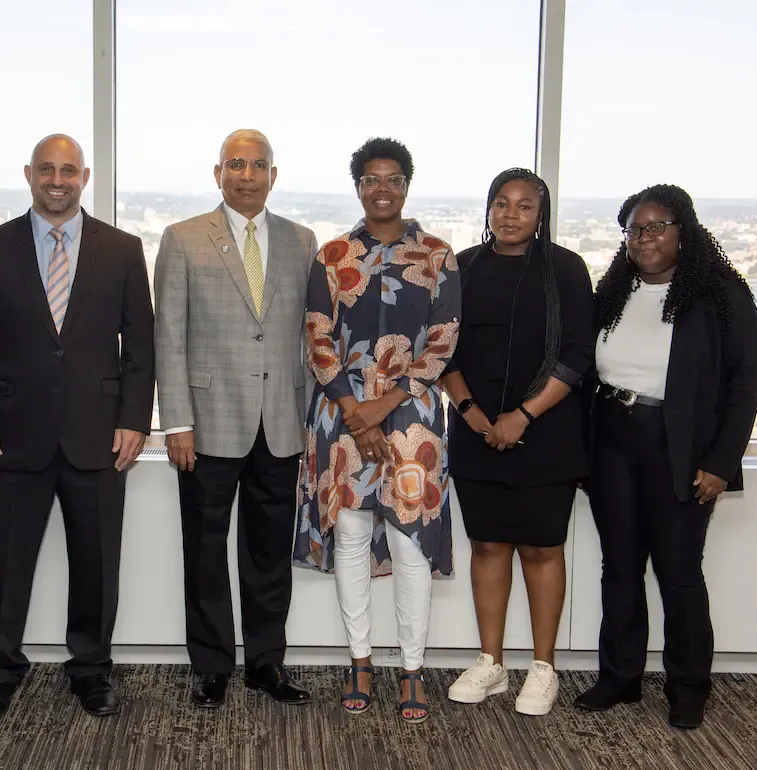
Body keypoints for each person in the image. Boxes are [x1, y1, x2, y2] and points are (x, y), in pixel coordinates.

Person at [0, 134, 154, 719]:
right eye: (47, 169)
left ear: (85, 177)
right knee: (8, 561)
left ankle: (91, 669)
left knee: (96, 564)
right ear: (29, 174)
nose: (57, 180)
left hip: (100, 435)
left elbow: (139, 346)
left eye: (68, 170)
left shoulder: (121, 249)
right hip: (10, 437)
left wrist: (135, 420)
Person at [574, 184, 757, 730]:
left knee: (679, 574)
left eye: (658, 226)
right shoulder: (613, 289)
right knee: (620, 568)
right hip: (611, 439)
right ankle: (619, 678)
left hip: (679, 449)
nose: (645, 237)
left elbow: (746, 382)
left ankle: (688, 687)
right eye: (635, 229)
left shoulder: (720, 294)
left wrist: (722, 463)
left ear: (686, 231)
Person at [294, 137, 461, 724]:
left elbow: (441, 344)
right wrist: (354, 409)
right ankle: (360, 660)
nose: (382, 188)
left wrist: (382, 406)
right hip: (340, 418)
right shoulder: (333, 255)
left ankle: (412, 668)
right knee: (352, 537)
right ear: (358, 186)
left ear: (407, 186)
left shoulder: (440, 256)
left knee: (413, 544)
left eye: (393, 178)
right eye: (370, 179)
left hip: (411, 417)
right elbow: (317, 337)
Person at [154, 129, 318, 709]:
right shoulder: (182, 239)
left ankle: (267, 665)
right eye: (236, 164)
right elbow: (168, 336)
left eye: (258, 165)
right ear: (217, 172)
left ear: (274, 175)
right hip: (207, 422)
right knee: (203, 550)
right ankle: (212, 665)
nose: (247, 175)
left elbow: (309, 337)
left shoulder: (302, 241)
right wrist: (176, 421)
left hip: (279, 424)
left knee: (269, 553)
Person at [441, 168, 594, 716]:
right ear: (488, 210)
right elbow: (443, 352)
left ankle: (543, 667)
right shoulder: (462, 266)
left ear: (541, 214)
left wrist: (522, 416)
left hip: (547, 432)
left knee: (540, 548)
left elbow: (577, 353)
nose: (511, 215)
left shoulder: (566, 268)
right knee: (487, 545)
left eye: (524, 206)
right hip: (475, 430)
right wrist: (473, 414)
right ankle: (491, 663)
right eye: (501, 204)